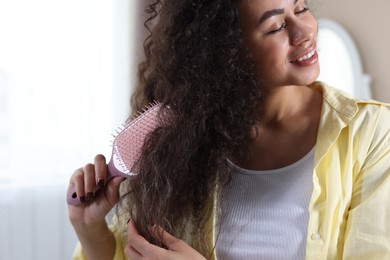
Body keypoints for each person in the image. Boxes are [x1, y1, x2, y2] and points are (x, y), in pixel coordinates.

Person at [68, 0, 390, 259]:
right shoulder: (181, 141)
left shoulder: (371, 134)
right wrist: (91, 230)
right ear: (228, 53)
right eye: (276, 26)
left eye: (301, 8)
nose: (304, 30)